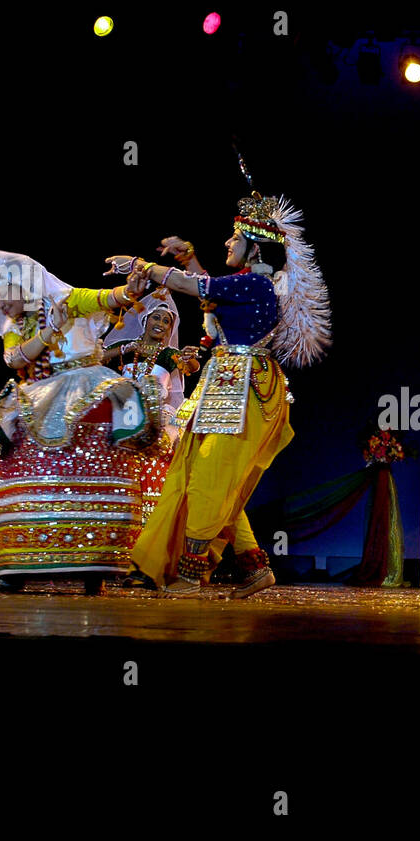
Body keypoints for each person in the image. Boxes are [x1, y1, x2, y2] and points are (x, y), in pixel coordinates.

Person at [107, 188, 330, 599]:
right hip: (227, 381)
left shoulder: (257, 286)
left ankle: (190, 574)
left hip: (244, 387)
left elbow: (198, 287)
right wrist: (187, 257)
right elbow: (210, 288)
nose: (227, 242)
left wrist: (142, 266)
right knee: (202, 476)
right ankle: (252, 567)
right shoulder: (245, 284)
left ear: (254, 248)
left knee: (209, 479)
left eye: (234, 238)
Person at [0, 248, 162, 594]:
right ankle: (15, 567)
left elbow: (105, 298)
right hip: (36, 393)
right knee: (6, 434)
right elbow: (14, 359)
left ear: (22, 285)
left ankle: (94, 565)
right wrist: (46, 333)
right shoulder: (15, 326)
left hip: (86, 384)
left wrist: (130, 290)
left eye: (2, 294)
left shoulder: (65, 300)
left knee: (104, 438)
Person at [102, 290, 200, 528]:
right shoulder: (128, 349)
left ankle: (153, 528)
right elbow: (100, 357)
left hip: (155, 424)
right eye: (157, 318)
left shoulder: (168, 354)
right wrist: (124, 350)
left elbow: (191, 366)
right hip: (123, 421)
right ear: (145, 320)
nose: (161, 324)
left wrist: (189, 359)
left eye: (167, 322)